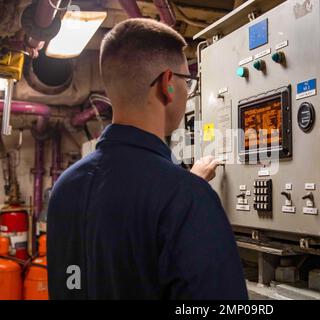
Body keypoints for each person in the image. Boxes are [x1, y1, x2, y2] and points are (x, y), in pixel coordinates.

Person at [47, 18, 248, 300]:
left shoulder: (65, 187)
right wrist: (188, 194)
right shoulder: (187, 199)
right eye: (186, 82)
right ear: (167, 84)